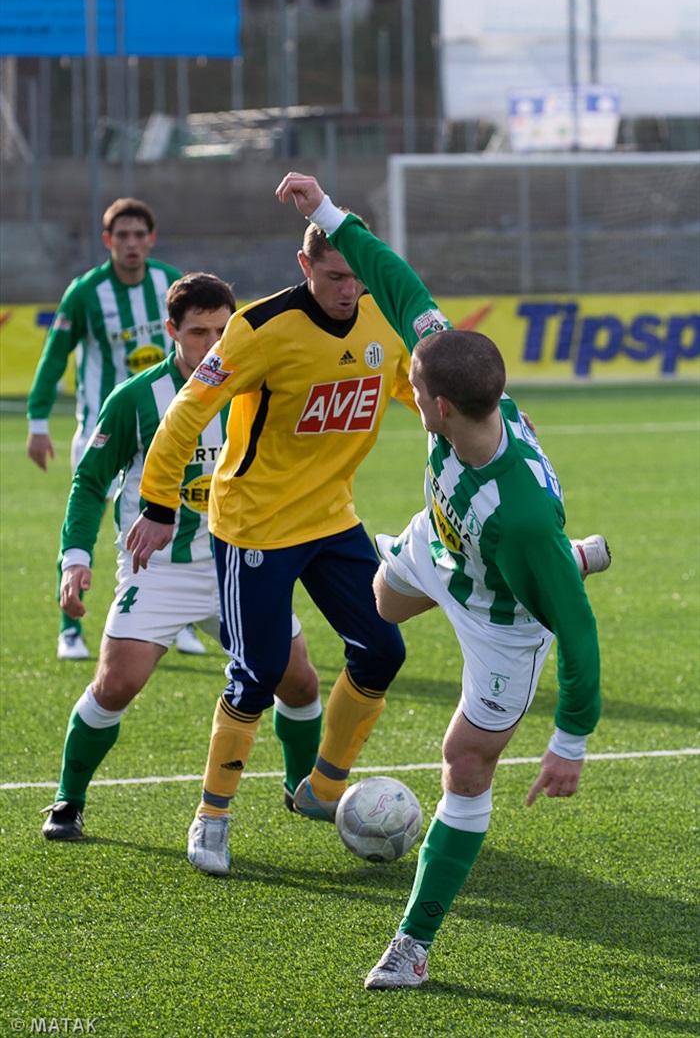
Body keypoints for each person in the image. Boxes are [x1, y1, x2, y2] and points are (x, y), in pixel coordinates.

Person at [275, 172, 610, 990]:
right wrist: (324, 210)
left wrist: (569, 741)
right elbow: (396, 278)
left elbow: (581, 635)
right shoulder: (461, 380)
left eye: (414, 391)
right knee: (379, 610)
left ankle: (413, 944)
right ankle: (560, 562)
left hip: (506, 614)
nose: (408, 394)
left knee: (463, 760)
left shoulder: (521, 515)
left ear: (442, 408)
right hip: (443, 545)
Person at [125, 213, 422, 876]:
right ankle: (212, 814)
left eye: (357, 277)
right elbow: (185, 415)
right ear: (305, 265)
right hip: (255, 523)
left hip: (331, 518)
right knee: (257, 672)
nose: (349, 290)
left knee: (382, 647)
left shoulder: (384, 319)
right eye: (335, 277)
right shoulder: (258, 328)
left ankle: (320, 789)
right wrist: (159, 503)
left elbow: (412, 385)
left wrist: (485, 419)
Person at [39, 273, 318, 841]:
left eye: (222, 330)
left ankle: (302, 790)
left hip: (240, 566)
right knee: (115, 685)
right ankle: (68, 801)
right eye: (198, 332)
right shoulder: (137, 399)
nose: (212, 343)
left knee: (301, 685)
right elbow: (91, 482)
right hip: (159, 570)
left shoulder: (261, 389)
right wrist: (74, 556)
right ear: (171, 330)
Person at [26, 197, 202, 660]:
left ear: (151, 239)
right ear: (108, 241)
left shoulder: (170, 282)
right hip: (102, 426)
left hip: (170, 424)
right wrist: (38, 420)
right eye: (121, 236)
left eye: (138, 235)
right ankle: (71, 628)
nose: (131, 244)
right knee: (87, 510)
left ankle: (180, 620)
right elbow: (54, 357)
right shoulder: (85, 293)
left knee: (182, 511)